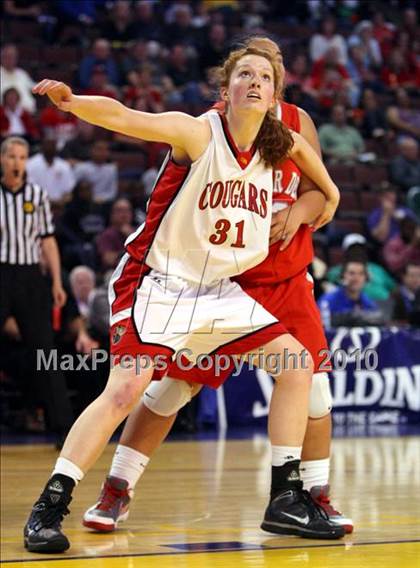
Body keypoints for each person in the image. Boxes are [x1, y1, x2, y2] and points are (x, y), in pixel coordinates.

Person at [24, 44, 342, 554]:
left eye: (264, 76)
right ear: (227, 89)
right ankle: (51, 504)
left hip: (218, 292)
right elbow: (127, 116)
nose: (254, 83)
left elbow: (307, 154)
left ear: (274, 94)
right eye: (244, 75)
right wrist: (72, 102)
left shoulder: (277, 140)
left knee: (297, 365)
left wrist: (330, 191)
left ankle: (285, 498)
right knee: (127, 391)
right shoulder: (198, 132)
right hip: (158, 282)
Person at [0, 136, 74, 445]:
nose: (17, 162)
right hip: (1, 272)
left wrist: (56, 281)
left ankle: (64, 430)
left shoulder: (37, 196)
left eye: (22, 157)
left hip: (30, 278)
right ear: (2, 160)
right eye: (12, 157)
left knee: (46, 353)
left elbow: (48, 241)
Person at [318, 260, 384, 327]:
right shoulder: (328, 300)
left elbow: (379, 319)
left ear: (366, 278)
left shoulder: (368, 301)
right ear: (343, 276)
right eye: (351, 273)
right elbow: (322, 323)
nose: (356, 278)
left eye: (361, 274)